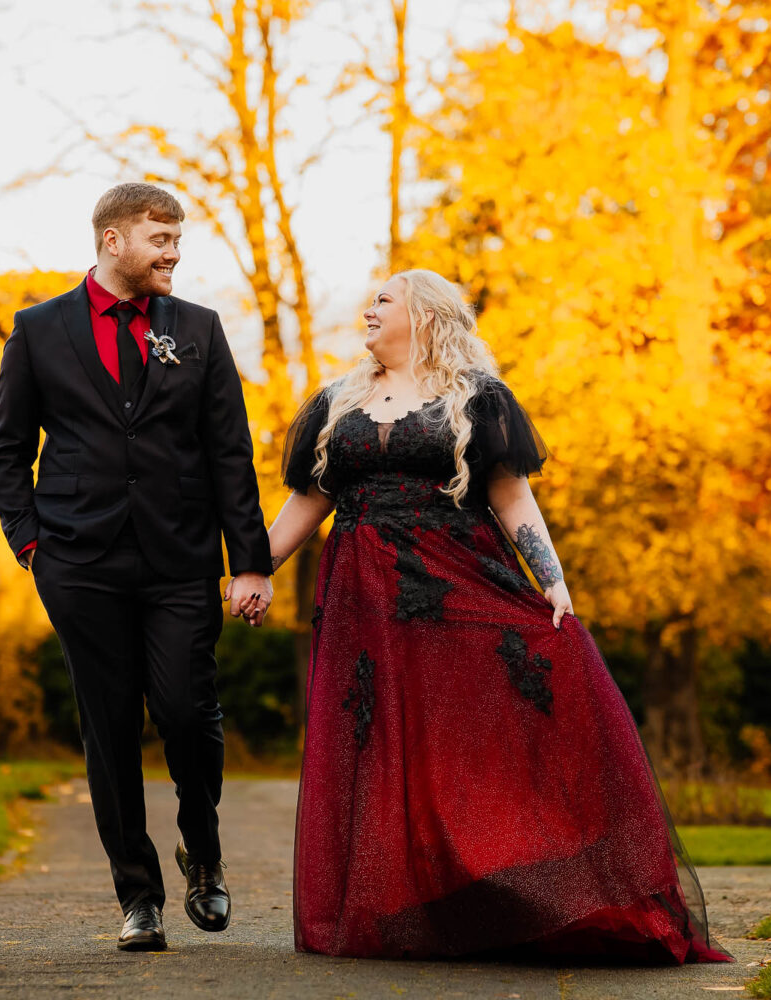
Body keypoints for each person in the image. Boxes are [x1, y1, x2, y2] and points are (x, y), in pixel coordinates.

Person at [252, 268, 732, 962]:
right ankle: (404, 908)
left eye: (383, 300)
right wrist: (255, 570)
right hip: (364, 606)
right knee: (385, 749)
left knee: (464, 746)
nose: (368, 310)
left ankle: (513, 892)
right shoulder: (337, 402)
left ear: (424, 315)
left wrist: (552, 581)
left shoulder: (477, 399)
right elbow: (309, 502)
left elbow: (511, 497)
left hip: (458, 585)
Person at [0, 183, 274, 951]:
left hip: (180, 558)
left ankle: (203, 855)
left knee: (185, 709)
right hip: (78, 561)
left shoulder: (199, 329)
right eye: (160, 239)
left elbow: (230, 452)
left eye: (177, 239)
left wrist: (249, 563)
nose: (174, 253)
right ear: (113, 241)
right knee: (109, 726)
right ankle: (138, 897)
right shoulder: (38, 330)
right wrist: (31, 544)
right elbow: (9, 450)